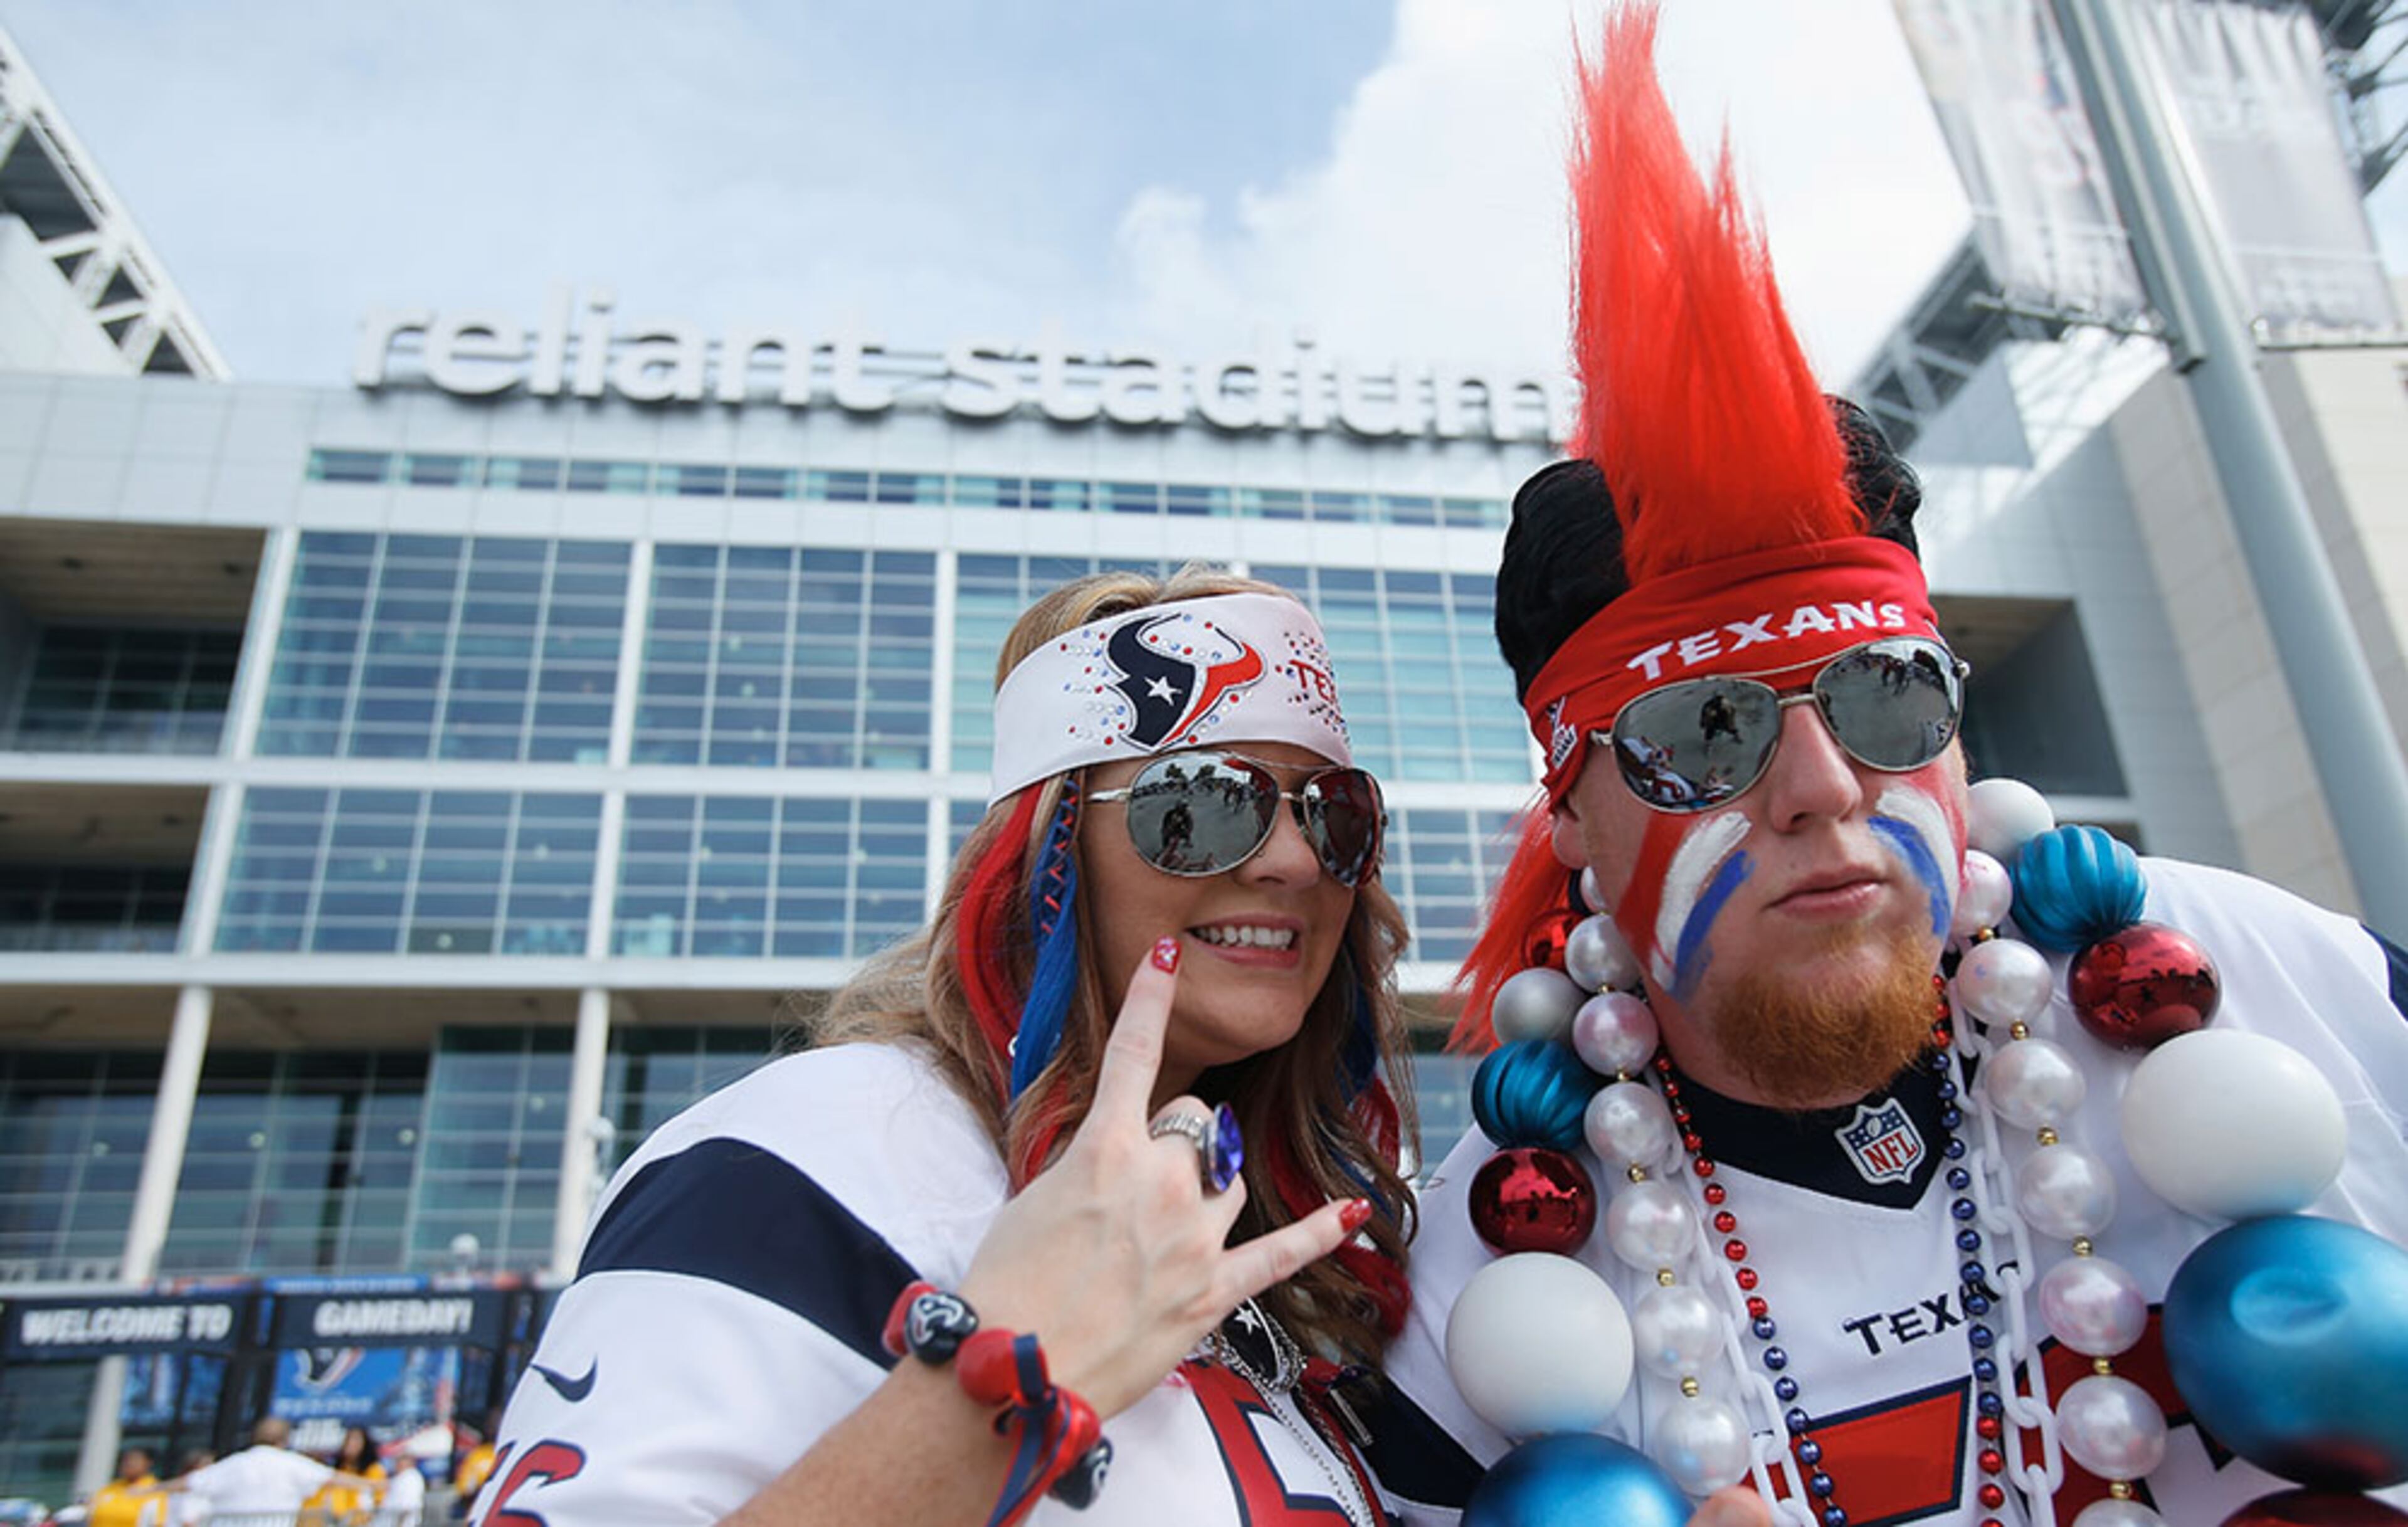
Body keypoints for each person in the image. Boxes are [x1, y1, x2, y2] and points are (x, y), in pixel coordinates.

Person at [1365, 8, 2408, 1527]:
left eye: (1881, 694)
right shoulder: (1482, 1289)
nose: (1820, 783)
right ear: (1572, 812)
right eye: (1702, 731)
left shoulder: (2284, 987)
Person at [472, 569, 1415, 1526]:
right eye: (1206, 800)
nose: (1294, 859)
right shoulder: (813, 1152)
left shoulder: (1301, 1254)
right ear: (1052, 850)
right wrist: (1004, 1377)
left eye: (1333, 810)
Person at [144, 1419, 379, 1523]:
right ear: (284, 1440)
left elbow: (190, 1483)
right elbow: (333, 1478)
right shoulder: (291, 1463)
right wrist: (375, 1485)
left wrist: (151, 1489)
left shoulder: (235, 1463)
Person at [302, 1427, 384, 1524]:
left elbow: (378, 1499)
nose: (351, 1444)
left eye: (356, 1440)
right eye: (348, 1440)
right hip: (333, 1521)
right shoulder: (337, 1469)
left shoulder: (374, 1470)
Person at [85, 1447, 156, 1527]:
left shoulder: (156, 1490)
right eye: (126, 1460)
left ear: (148, 1463)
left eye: (136, 1460)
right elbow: (90, 1512)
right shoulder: (110, 1488)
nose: (130, 1463)